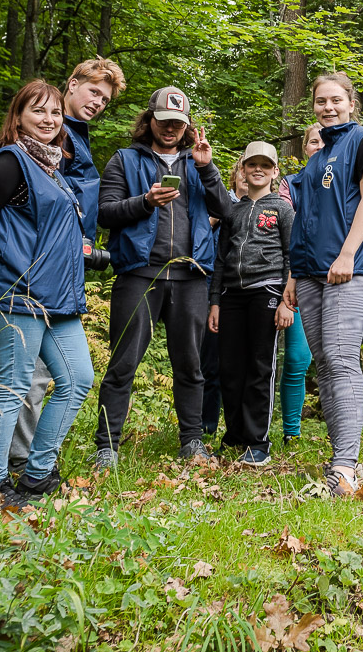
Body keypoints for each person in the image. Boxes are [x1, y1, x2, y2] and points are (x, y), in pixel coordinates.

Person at [0, 80, 93, 512]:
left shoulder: (50, 168)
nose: (49, 120)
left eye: (54, 113)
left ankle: (37, 474)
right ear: (18, 117)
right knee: (11, 387)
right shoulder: (9, 163)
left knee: (77, 379)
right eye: (38, 112)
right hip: (17, 296)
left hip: (57, 299)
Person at [93, 87, 228, 468]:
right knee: (122, 363)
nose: (170, 128)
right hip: (139, 273)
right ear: (149, 120)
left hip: (190, 276)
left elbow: (227, 212)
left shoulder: (196, 164)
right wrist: (145, 202)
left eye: (177, 123)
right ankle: (107, 446)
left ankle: (192, 441)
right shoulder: (124, 160)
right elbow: (104, 213)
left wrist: (208, 168)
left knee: (190, 364)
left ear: (186, 126)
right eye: (164, 121)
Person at [7, 58, 125, 481]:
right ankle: (19, 461)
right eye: (93, 91)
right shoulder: (53, 137)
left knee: (57, 373)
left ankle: (32, 459)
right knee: (33, 373)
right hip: (39, 267)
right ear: (71, 85)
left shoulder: (77, 138)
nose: (98, 102)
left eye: (105, 99)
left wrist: (86, 245)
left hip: (65, 266)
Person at [284, 73, 363, 496]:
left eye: (335, 100)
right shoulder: (314, 160)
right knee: (325, 361)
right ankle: (339, 456)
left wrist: (347, 254)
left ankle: (346, 467)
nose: (327, 107)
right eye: (320, 101)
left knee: (344, 357)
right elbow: (306, 223)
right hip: (310, 272)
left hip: (351, 266)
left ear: (351, 102)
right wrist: (294, 274)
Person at [208, 142, 295, 466]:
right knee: (230, 368)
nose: (257, 169)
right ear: (243, 170)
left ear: (274, 172)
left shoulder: (283, 209)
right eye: (251, 164)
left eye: (265, 165)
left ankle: (258, 441)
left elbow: (292, 257)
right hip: (232, 294)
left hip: (268, 292)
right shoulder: (233, 211)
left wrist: (287, 301)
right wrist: (214, 301)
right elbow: (220, 259)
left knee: (260, 367)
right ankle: (235, 436)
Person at [274, 122, 324, 445]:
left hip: (337, 279)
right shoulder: (290, 185)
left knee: (328, 359)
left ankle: (341, 434)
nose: (318, 147)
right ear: (304, 148)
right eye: (313, 142)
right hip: (293, 278)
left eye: (324, 141)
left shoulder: (350, 181)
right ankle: (290, 432)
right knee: (294, 357)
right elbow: (289, 234)